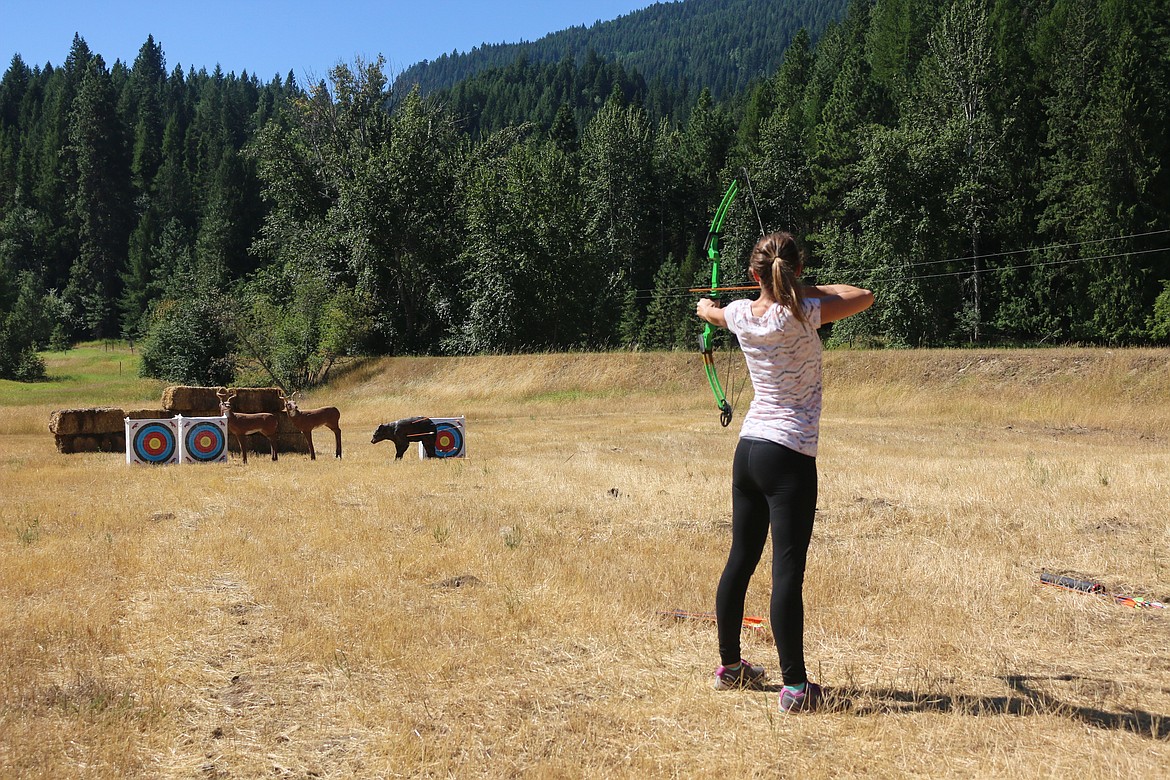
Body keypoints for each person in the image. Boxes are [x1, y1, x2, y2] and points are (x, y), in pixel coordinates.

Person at [695, 231, 873, 714]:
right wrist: (806, 289)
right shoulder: (804, 311)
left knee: (740, 560)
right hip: (789, 455)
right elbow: (864, 295)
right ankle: (795, 687)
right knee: (786, 572)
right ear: (796, 272)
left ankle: (730, 667)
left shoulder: (738, 315)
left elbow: (709, 311)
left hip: (749, 451)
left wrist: (709, 306)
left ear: (754, 275)